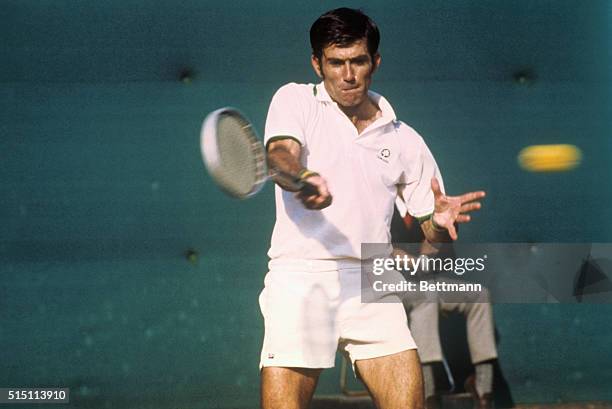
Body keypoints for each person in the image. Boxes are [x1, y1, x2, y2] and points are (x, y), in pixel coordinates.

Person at [259, 8, 486, 409]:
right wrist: (300, 177)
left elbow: (432, 245)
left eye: (358, 61)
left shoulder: (406, 141)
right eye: (336, 62)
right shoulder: (294, 99)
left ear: (375, 62)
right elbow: (280, 155)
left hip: (371, 277)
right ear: (317, 63)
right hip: (300, 277)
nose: (348, 75)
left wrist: (437, 222)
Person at [391, 205, 498, 409]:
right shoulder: (379, 197)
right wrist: (412, 261)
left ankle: (484, 391)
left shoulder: (424, 200)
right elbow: (383, 248)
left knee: (480, 295)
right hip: (389, 286)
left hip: (427, 281)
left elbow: (437, 241)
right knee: (427, 295)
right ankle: (428, 393)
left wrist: (430, 245)